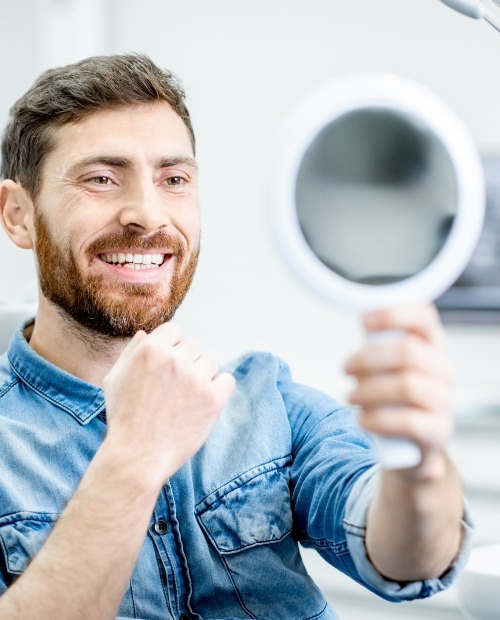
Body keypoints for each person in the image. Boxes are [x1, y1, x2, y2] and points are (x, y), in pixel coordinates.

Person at [0, 53, 472, 620]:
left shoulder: (266, 400)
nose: (148, 215)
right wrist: (133, 457)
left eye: (174, 179)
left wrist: (417, 466)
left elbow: (410, 559)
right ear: (18, 215)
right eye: (101, 179)